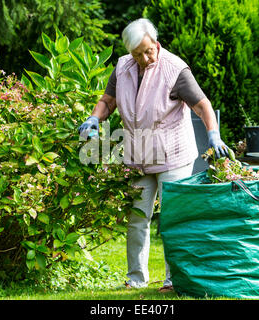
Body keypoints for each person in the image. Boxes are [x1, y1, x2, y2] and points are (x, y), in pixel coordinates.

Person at [78, 18, 230, 292]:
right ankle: (136, 278)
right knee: (137, 217)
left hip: (173, 154)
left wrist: (213, 133)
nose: (144, 58)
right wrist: (94, 118)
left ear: (156, 43)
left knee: (173, 218)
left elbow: (202, 104)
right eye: (137, 54)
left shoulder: (175, 69)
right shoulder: (123, 66)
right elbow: (108, 101)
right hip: (139, 156)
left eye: (148, 51)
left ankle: (174, 280)